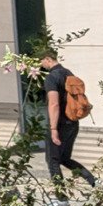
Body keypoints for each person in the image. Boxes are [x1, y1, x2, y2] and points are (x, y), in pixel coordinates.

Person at [40, 51, 97, 191]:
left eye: (41, 61)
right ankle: (94, 181)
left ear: (48, 59)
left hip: (59, 124)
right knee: (64, 158)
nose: (41, 65)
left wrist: (53, 129)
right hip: (73, 122)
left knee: (53, 161)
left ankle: (61, 199)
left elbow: (54, 104)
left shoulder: (52, 77)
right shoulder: (69, 74)